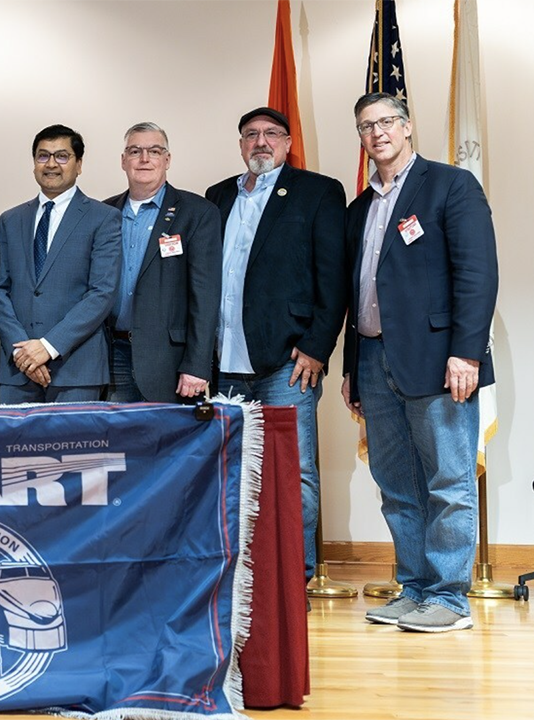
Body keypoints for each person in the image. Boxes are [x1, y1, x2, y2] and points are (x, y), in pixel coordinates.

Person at [343, 92, 498, 633]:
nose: (376, 132)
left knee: (448, 481)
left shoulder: (451, 185)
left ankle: (450, 600)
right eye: (366, 126)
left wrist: (466, 352)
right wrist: (350, 368)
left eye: (386, 122)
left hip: (439, 361)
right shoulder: (360, 207)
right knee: (397, 485)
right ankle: (415, 589)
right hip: (374, 360)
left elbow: (477, 275)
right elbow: (355, 292)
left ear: (407, 128)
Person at [205, 107, 347, 585]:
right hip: (223, 363)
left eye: (271, 134)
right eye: (250, 135)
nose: (260, 142)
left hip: (286, 362)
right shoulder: (218, 196)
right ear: (240, 144)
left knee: (294, 473)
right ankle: (240, 578)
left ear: (287, 143)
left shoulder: (318, 192)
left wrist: (317, 347)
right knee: (230, 475)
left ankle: (293, 579)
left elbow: (333, 278)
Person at [0, 124, 120, 403]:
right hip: (18, 370)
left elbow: (102, 292)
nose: (51, 164)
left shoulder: (103, 218)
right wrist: (22, 353)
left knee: (76, 446)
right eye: (42, 156)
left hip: (77, 370)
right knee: (12, 448)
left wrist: (48, 348)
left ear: (79, 164)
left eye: (62, 156)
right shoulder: (11, 220)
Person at [102, 122, 220, 403]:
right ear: (123, 161)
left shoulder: (198, 213)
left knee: (168, 446)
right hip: (111, 356)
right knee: (118, 446)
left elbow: (205, 297)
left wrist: (197, 365)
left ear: (167, 160)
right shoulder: (104, 213)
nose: (144, 159)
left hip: (171, 363)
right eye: (135, 151)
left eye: (154, 151)